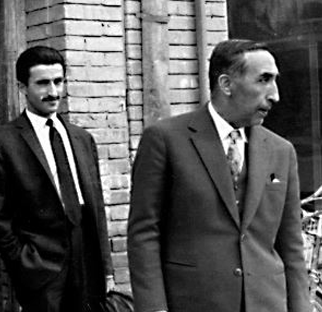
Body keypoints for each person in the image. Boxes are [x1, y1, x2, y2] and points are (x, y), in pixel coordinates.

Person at [127, 39, 309, 312]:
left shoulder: (281, 151)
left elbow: (291, 244)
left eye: (275, 80)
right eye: (263, 80)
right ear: (226, 84)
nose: (275, 95)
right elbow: (144, 234)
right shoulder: (165, 140)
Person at [0, 46, 115, 312]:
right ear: (22, 87)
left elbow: (96, 206)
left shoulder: (82, 138)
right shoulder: (1, 143)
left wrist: (106, 268)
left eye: (58, 81)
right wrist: (22, 259)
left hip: (86, 259)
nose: (53, 92)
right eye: (42, 83)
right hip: (39, 265)